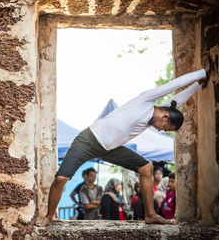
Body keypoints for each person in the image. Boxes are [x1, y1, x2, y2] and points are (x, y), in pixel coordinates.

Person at [36, 67, 209, 227]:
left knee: (146, 168)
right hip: (88, 141)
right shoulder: (146, 101)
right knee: (60, 179)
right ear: (164, 117)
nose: (160, 129)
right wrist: (202, 72)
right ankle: (49, 216)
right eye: (164, 127)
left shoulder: (152, 120)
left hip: (110, 149)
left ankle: (150, 215)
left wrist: (197, 86)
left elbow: (176, 102)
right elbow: (175, 84)